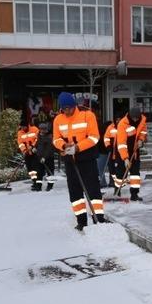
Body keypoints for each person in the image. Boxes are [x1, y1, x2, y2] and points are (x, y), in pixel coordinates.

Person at [52, 92, 106, 231]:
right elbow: (56, 139)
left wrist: (77, 147)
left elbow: (94, 137)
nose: (67, 111)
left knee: (93, 189)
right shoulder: (58, 119)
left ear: (74, 105)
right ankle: (81, 221)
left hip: (87, 159)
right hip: (70, 161)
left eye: (69, 107)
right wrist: (64, 146)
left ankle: (98, 218)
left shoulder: (87, 115)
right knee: (75, 192)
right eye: (64, 108)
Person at [113, 107, 148, 201]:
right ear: (130, 116)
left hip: (134, 151)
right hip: (122, 151)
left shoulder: (142, 120)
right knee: (120, 173)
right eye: (134, 118)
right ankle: (117, 191)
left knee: (135, 174)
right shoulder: (123, 124)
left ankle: (134, 194)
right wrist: (125, 158)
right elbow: (121, 143)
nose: (136, 120)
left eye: (137, 118)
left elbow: (143, 131)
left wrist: (141, 139)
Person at [16, 118, 42, 191]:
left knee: (36, 168)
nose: (22, 128)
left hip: (35, 152)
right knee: (30, 169)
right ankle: (34, 182)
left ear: (27, 125)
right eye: (21, 127)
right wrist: (24, 150)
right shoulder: (20, 133)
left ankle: (38, 183)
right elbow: (20, 143)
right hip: (27, 153)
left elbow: (38, 139)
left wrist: (33, 146)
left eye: (24, 127)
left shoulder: (34, 129)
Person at [35, 118, 55, 191]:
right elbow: (37, 144)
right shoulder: (39, 136)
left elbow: (49, 148)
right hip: (39, 157)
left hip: (48, 157)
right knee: (39, 172)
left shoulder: (49, 137)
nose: (42, 131)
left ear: (46, 129)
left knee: (50, 172)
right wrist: (34, 148)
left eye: (43, 129)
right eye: (40, 129)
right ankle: (38, 186)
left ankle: (50, 186)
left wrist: (44, 157)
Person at [97, 120, 114, 187]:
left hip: (104, 151)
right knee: (111, 168)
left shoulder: (101, 128)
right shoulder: (105, 129)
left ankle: (103, 182)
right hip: (105, 151)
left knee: (101, 168)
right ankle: (110, 182)